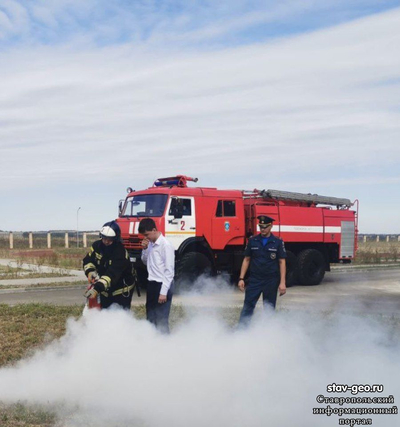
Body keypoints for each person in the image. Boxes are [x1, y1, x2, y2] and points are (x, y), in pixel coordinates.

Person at [238, 215, 287, 325]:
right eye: (261, 227)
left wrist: (282, 283)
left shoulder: (277, 242)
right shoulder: (253, 241)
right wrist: (241, 278)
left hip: (271, 280)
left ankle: (267, 333)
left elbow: (282, 262)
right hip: (255, 279)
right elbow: (246, 259)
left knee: (269, 309)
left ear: (271, 226)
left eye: (265, 227)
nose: (262, 229)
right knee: (248, 306)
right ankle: (241, 332)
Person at [83, 220, 136, 310]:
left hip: (121, 291)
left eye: (109, 240)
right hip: (105, 289)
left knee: (120, 317)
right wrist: (90, 272)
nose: (106, 242)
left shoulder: (120, 252)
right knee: (105, 314)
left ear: (115, 239)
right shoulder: (97, 246)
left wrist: (96, 289)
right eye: (104, 238)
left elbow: (112, 274)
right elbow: (88, 260)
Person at [139, 218, 175, 334]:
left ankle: (165, 344)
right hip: (152, 284)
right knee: (150, 317)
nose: (146, 238)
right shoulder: (150, 244)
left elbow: (169, 271)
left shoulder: (166, 245)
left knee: (162, 319)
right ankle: (152, 342)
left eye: (147, 235)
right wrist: (144, 249)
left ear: (154, 230)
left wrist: (163, 292)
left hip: (163, 285)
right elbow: (145, 262)